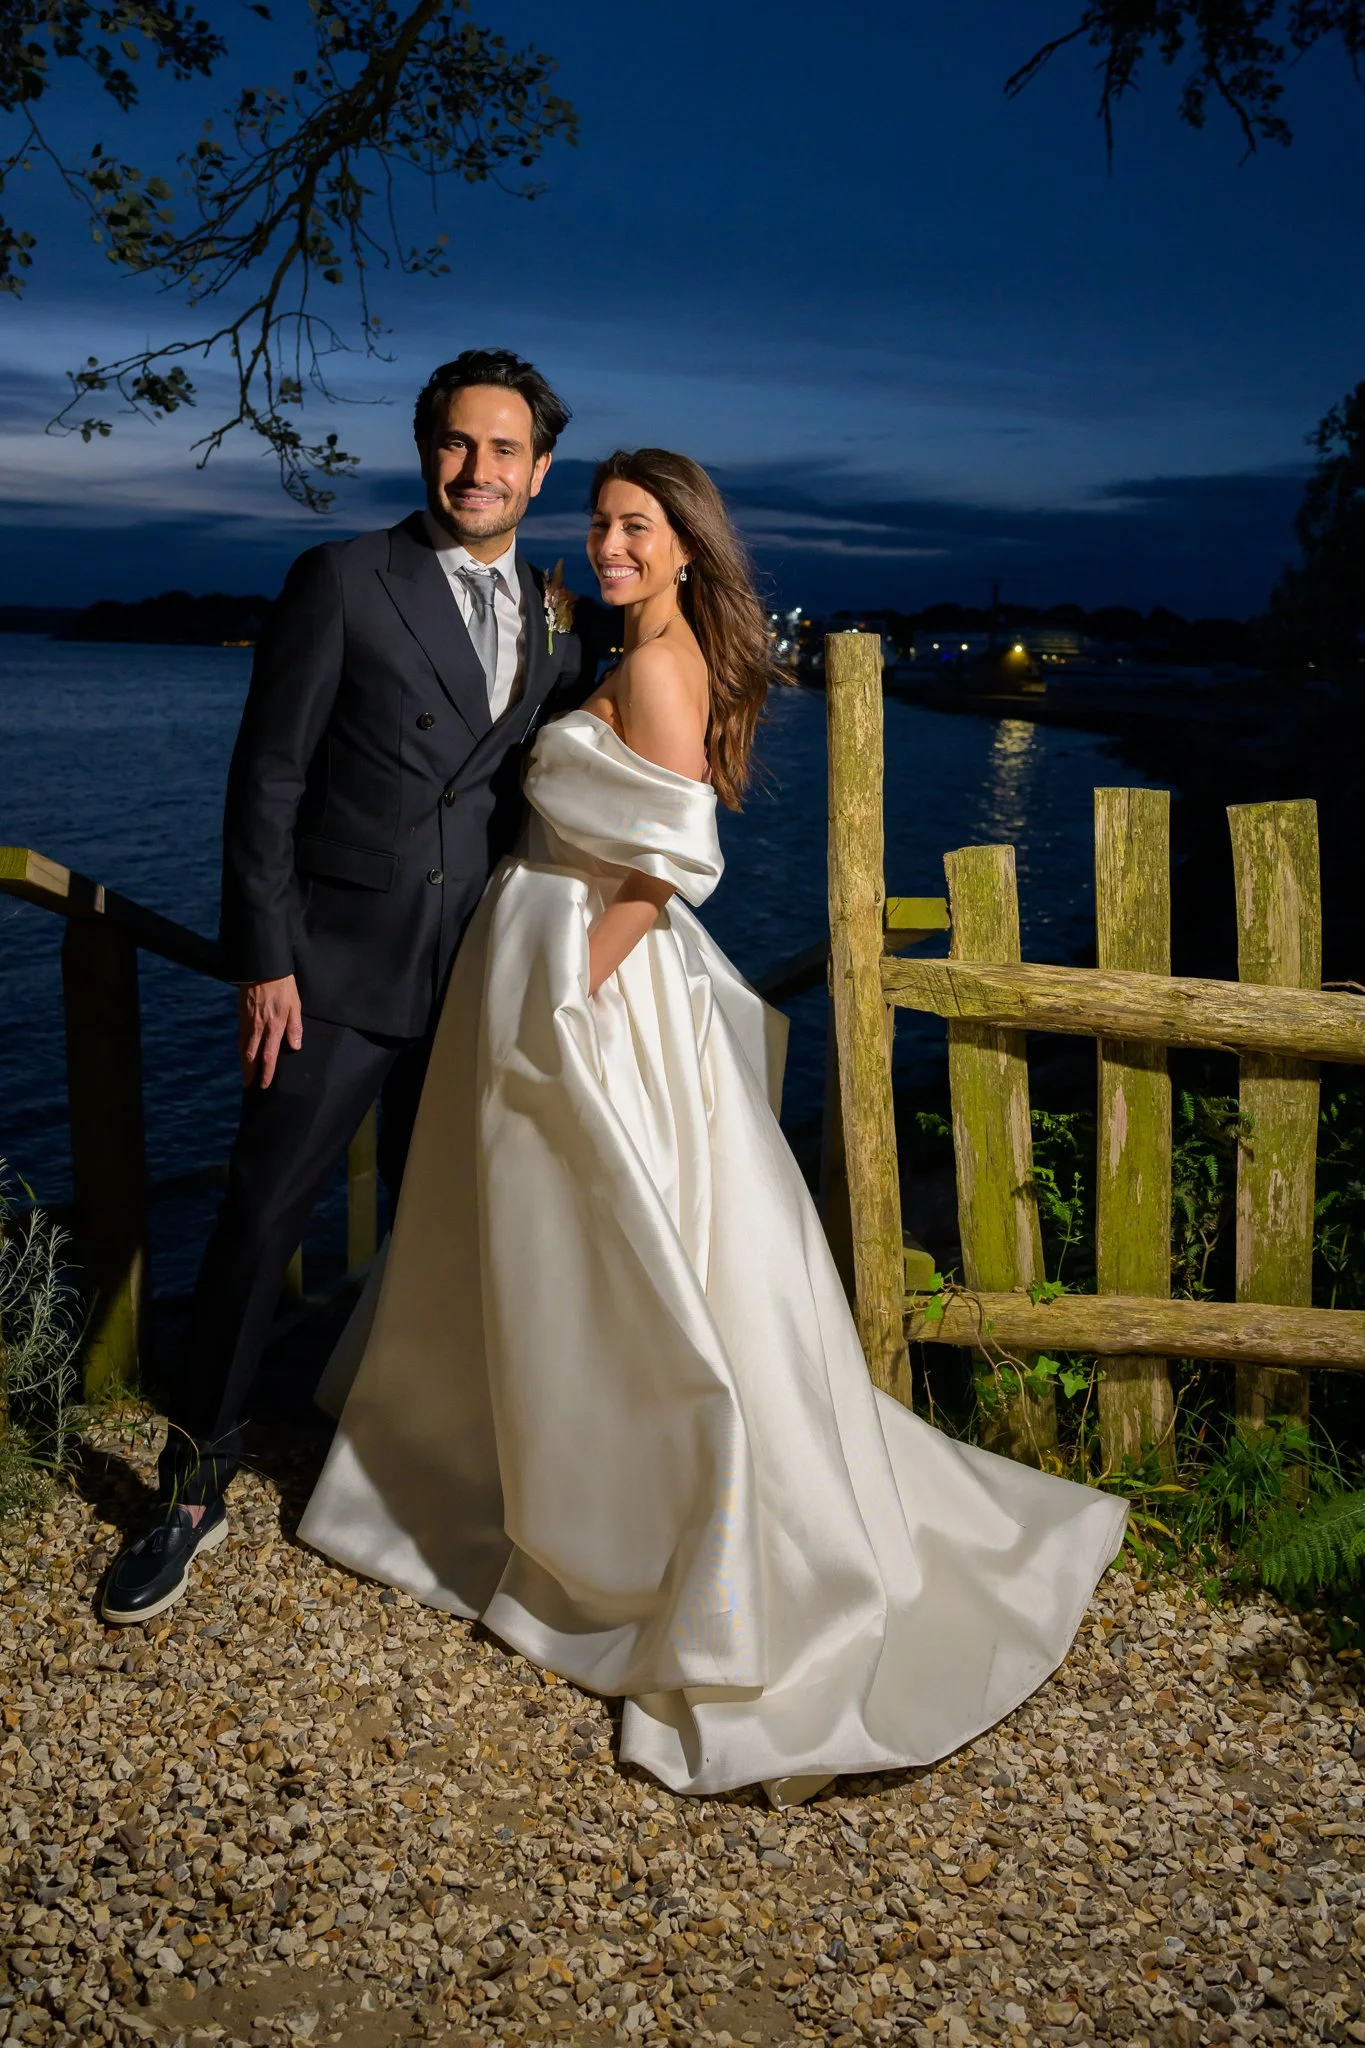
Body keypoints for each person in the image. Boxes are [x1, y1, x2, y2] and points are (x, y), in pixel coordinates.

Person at [298, 447, 1128, 1803]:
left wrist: (569, 989)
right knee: (538, 1234)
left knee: (616, 1245)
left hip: (589, 974)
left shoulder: (666, 663)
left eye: (639, 528)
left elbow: (678, 853)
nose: (613, 545)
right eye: (606, 524)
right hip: (552, 946)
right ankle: (516, 1463)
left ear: (687, 546)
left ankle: (659, 1530)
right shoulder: (633, 650)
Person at [100, 349, 592, 1626]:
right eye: (456, 442)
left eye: (503, 449)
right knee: (261, 1216)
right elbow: (266, 780)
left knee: (452, 1229)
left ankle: (407, 1460)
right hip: (328, 973)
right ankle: (192, 1484)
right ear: (426, 448)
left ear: (541, 471)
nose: (476, 470)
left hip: (476, 974)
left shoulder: (552, 616)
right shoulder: (343, 578)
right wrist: (265, 953)